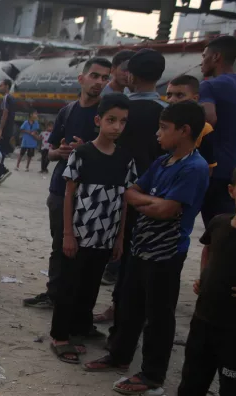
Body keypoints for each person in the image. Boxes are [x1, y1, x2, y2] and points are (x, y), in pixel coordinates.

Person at [85, 102, 210, 396]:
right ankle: (119, 356)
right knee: (129, 307)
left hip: (167, 253)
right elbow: (130, 192)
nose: (158, 134)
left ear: (185, 131)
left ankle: (152, 374)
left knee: (159, 315)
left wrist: (149, 203)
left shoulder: (194, 167)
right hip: (140, 246)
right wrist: (151, 203)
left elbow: (167, 210)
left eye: (164, 128)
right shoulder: (163, 162)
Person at [141, 163, 236, 396]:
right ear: (231, 190)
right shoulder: (220, 223)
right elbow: (208, 249)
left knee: (233, 391)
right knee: (193, 377)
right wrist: (204, 277)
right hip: (204, 318)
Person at [50, 94, 134, 364]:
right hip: (79, 235)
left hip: (106, 237)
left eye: (122, 122)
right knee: (69, 286)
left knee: (90, 287)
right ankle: (60, 336)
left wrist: (119, 238)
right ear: (98, 121)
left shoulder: (125, 159)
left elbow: (124, 201)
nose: (116, 127)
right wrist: (67, 234)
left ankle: (80, 329)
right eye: (111, 120)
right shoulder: (82, 154)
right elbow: (69, 195)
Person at [23, 57, 111, 309]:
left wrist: (86, 149)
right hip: (61, 191)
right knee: (59, 245)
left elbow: (115, 153)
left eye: (105, 78)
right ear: (81, 78)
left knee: (85, 253)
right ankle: (54, 294)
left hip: (92, 195)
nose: (100, 82)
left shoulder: (107, 114)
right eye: (95, 76)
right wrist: (59, 153)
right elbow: (50, 151)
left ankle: (74, 303)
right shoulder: (67, 111)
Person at [99, 49, 169, 315]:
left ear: (130, 75)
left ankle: (117, 307)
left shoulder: (120, 112)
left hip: (116, 193)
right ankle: (131, 309)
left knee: (116, 252)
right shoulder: (167, 113)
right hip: (156, 195)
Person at [199, 35, 236, 227]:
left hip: (218, 171)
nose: (202, 61)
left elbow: (209, 119)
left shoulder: (209, 85)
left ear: (216, 57)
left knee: (216, 230)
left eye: (204, 55)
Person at [166, 74, 217, 173]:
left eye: (179, 95)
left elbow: (209, 168)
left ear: (195, 98)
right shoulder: (161, 124)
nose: (172, 100)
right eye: (169, 95)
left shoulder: (204, 129)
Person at [0, 78, 16, 184]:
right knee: (0, 152)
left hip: (3, 131)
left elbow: (5, 114)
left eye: (0, 85)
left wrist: (0, 130)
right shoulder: (11, 98)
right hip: (8, 130)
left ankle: (2, 170)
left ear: (6, 86)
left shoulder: (6, 98)